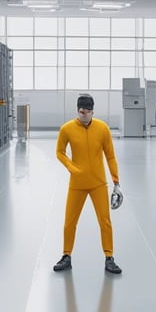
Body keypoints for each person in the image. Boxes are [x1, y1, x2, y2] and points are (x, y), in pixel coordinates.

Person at [54, 93, 122, 274]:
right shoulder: (66, 129)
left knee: (105, 221)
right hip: (77, 184)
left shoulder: (103, 129)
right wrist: (72, 168)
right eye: (81, 112)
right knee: (69, 221)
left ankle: (109, 258)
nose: (83, 115)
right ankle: (66, 256)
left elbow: (110, 156)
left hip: (99, 183)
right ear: (77, 110)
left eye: (87, 112)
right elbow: (59, 152)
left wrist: (116, 181)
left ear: (93, 111)